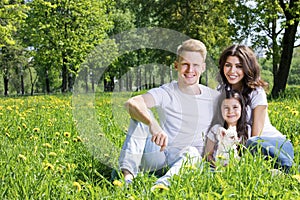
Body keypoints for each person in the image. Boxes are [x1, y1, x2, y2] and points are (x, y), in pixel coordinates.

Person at [117, 39, 219, 188]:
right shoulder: (166, 92)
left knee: (191, 152)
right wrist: (153, 125)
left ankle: (161, 187)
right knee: (140, 116)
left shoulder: (213, 97)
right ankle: (128, 178)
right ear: (176, 66)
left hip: (189, 161)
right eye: (185, 64)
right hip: (160, 155)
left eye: (195, 65)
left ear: (202, 67)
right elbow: (131, 103)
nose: (190, 70)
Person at [217, 44, 294, 172]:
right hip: (248, 147)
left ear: (247, 68)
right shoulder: (221, 91)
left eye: (239, 66)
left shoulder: (256, 92)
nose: (232, 71)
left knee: (253, 143)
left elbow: (256, 135)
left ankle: (286, 168)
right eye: (228, 65)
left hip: (274, 145)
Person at [205, 89, 248, 166]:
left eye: (235, 107)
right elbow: (208, 155)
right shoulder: (216, 129)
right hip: (217, 167)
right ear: (220, 109)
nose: (230, 111)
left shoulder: (247, 129)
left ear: (241, 108)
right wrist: (217, 166)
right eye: (226, 108)